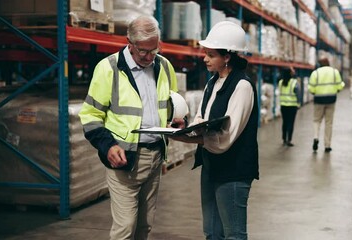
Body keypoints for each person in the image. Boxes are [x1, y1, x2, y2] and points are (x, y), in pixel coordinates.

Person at [78, 15, 181, 240]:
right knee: (125, 227)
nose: (148, 57)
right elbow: (90, 115)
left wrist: (178, 119)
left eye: (153, 50)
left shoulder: (164, 66)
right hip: (125, 159)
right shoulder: (108, 69)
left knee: (145, 225)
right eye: (142, 51)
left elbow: (171, 103)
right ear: (129, 42)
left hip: (155, 157)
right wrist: (108, 146)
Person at [170, 21, 259, 240]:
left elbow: (227, 137)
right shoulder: (213, 83)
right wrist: (186, 129)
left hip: (233, 171)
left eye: (211, 54)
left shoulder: (242, 86)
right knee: (212, 233)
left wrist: (195, 140)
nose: (205, 58)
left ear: (227, 56)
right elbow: (203, 119)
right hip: (211, 167)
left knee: (233, 235)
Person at [308, 57, 344, 153]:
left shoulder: (315, 73)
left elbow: (311, 89)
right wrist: (336, 89)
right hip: (331, 99)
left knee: (317, 120)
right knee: (329, 122)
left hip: (319, 100)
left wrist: (316, 92)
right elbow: (340, 86)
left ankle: (316, 137)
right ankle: (327, 145)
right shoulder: (335, 72)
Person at [278, 67, 301, 146]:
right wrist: (298, 104)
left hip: (283, 105)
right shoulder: (294, 82)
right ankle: (289, 140)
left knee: (285, 122)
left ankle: (284, 139)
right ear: (290, 73)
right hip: (292, 106)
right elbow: (298, 94)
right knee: (291, 123)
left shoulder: (280, 82)